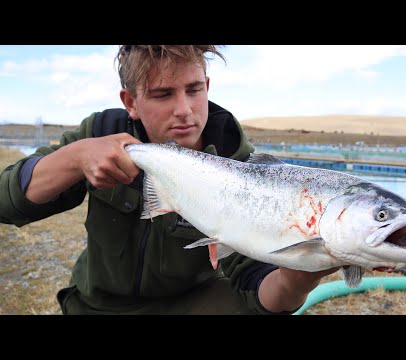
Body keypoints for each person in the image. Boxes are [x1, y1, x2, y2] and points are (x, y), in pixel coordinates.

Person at [0, 45, 339, 315]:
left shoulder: (235, 157)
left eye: (194, 90)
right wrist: (74, 158)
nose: (185, 110)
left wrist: (298, 281)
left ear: (207, 86)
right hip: (98, 305)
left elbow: (255, 284)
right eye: (163, 94)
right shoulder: (101, 131)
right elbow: (7, 202)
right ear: (131, 102)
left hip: (193, 303)